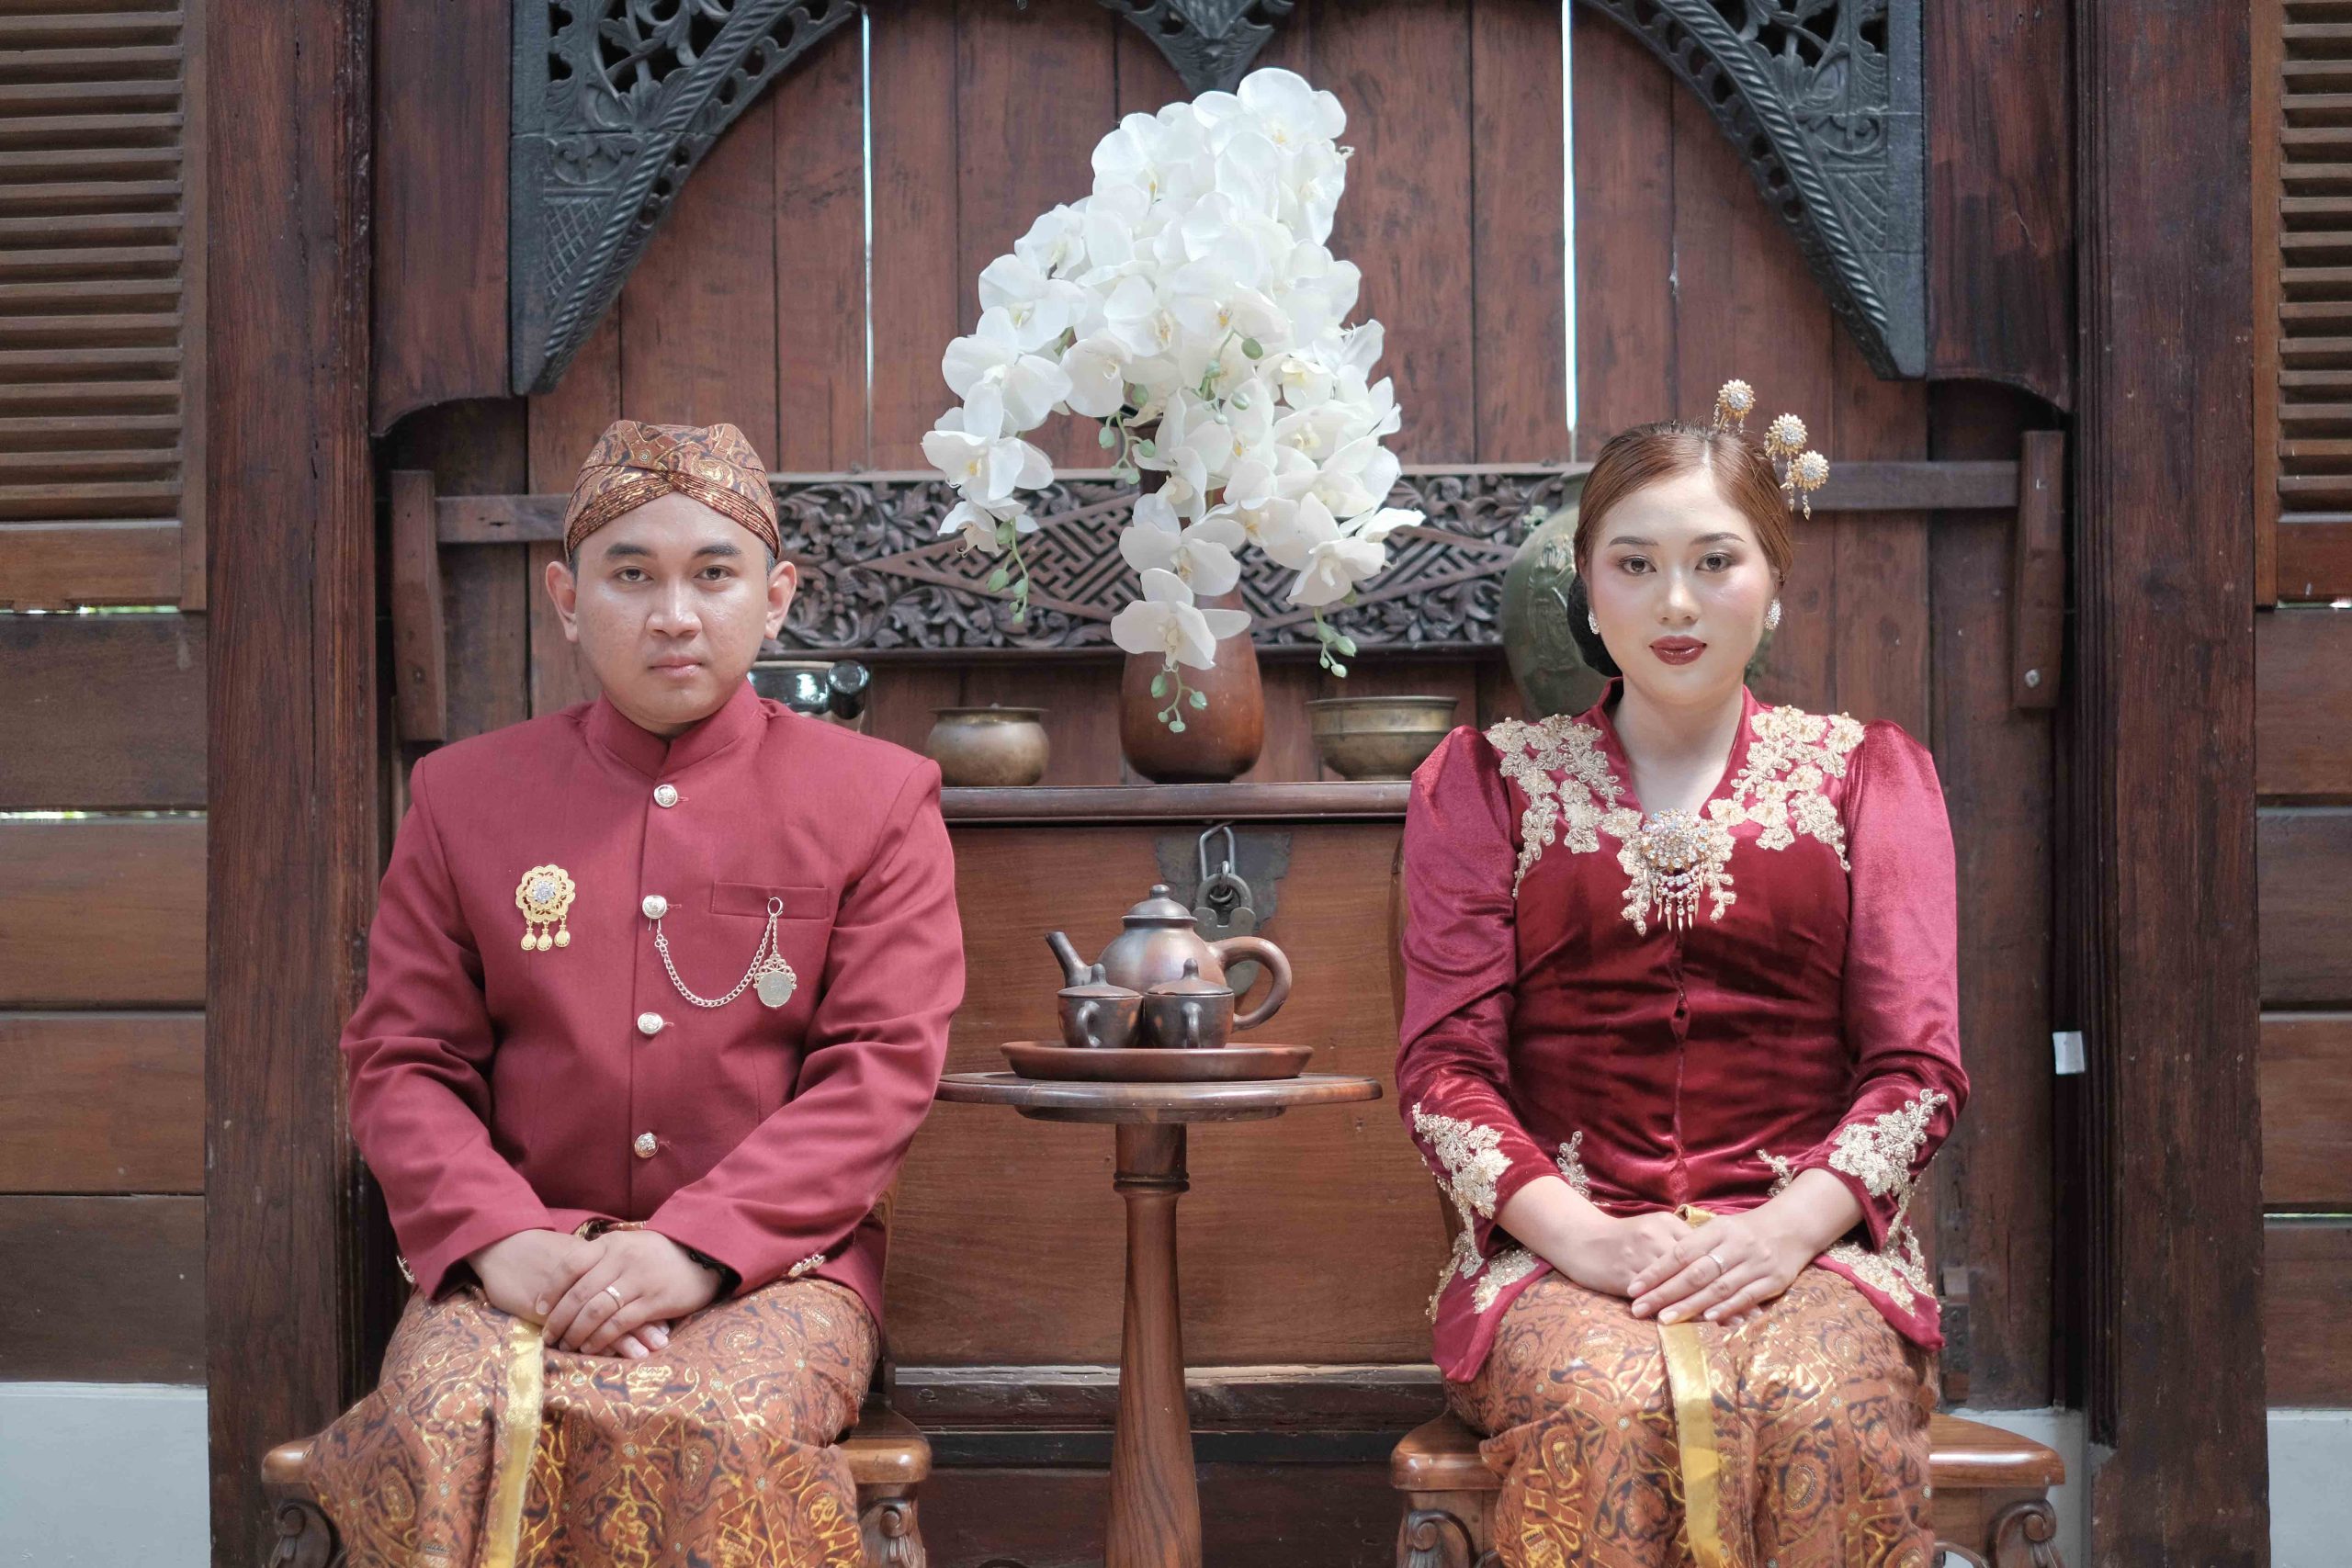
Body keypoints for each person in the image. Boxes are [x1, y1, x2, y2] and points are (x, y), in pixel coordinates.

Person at [307, 420, 966, 1567]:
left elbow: (880, 1071)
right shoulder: (464, 798)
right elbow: (402, 1061)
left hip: (773, 1271)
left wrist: (698, 1247)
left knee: (708, 1422)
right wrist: (496, 1236)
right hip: (520, 1265)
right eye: (631, 576)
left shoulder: (875, 798)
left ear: (775, 597)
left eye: (713, 574)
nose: (674, 614)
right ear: (567, 600)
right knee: (444, 1417)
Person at [1396, 382, 1967, 1568]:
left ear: (1772, 582)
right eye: (1634, 564)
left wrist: (1786, 1231)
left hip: (1814, 1248)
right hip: (1562, 1252)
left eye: (1714, 561)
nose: (1675, 601)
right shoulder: (1486, 782)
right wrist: (1584, 1240)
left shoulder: (1868, 774)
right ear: (1587, 589)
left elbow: (1917, 1069)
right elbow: (1444, 1071)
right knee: (1605, 1406)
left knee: (1814, 1402)